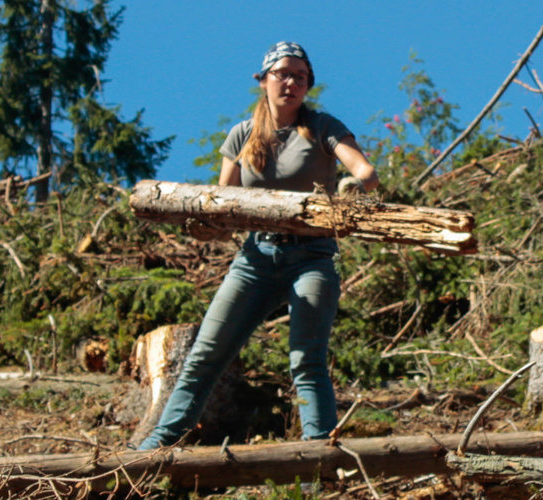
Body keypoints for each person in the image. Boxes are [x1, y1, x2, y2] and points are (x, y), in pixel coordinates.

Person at [137, 41, 379, 450]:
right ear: (263, 79)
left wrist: (351, 187)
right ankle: (154, 450)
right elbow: (222, 203)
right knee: (203, 358)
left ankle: (317, 457)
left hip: (313, 258)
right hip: (255, 258)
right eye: (283, 73)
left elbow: (365, 171)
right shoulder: (241, 135)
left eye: (300, 77)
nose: (291, 82)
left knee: (307, 360)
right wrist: (204, 226)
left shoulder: (324, 127)